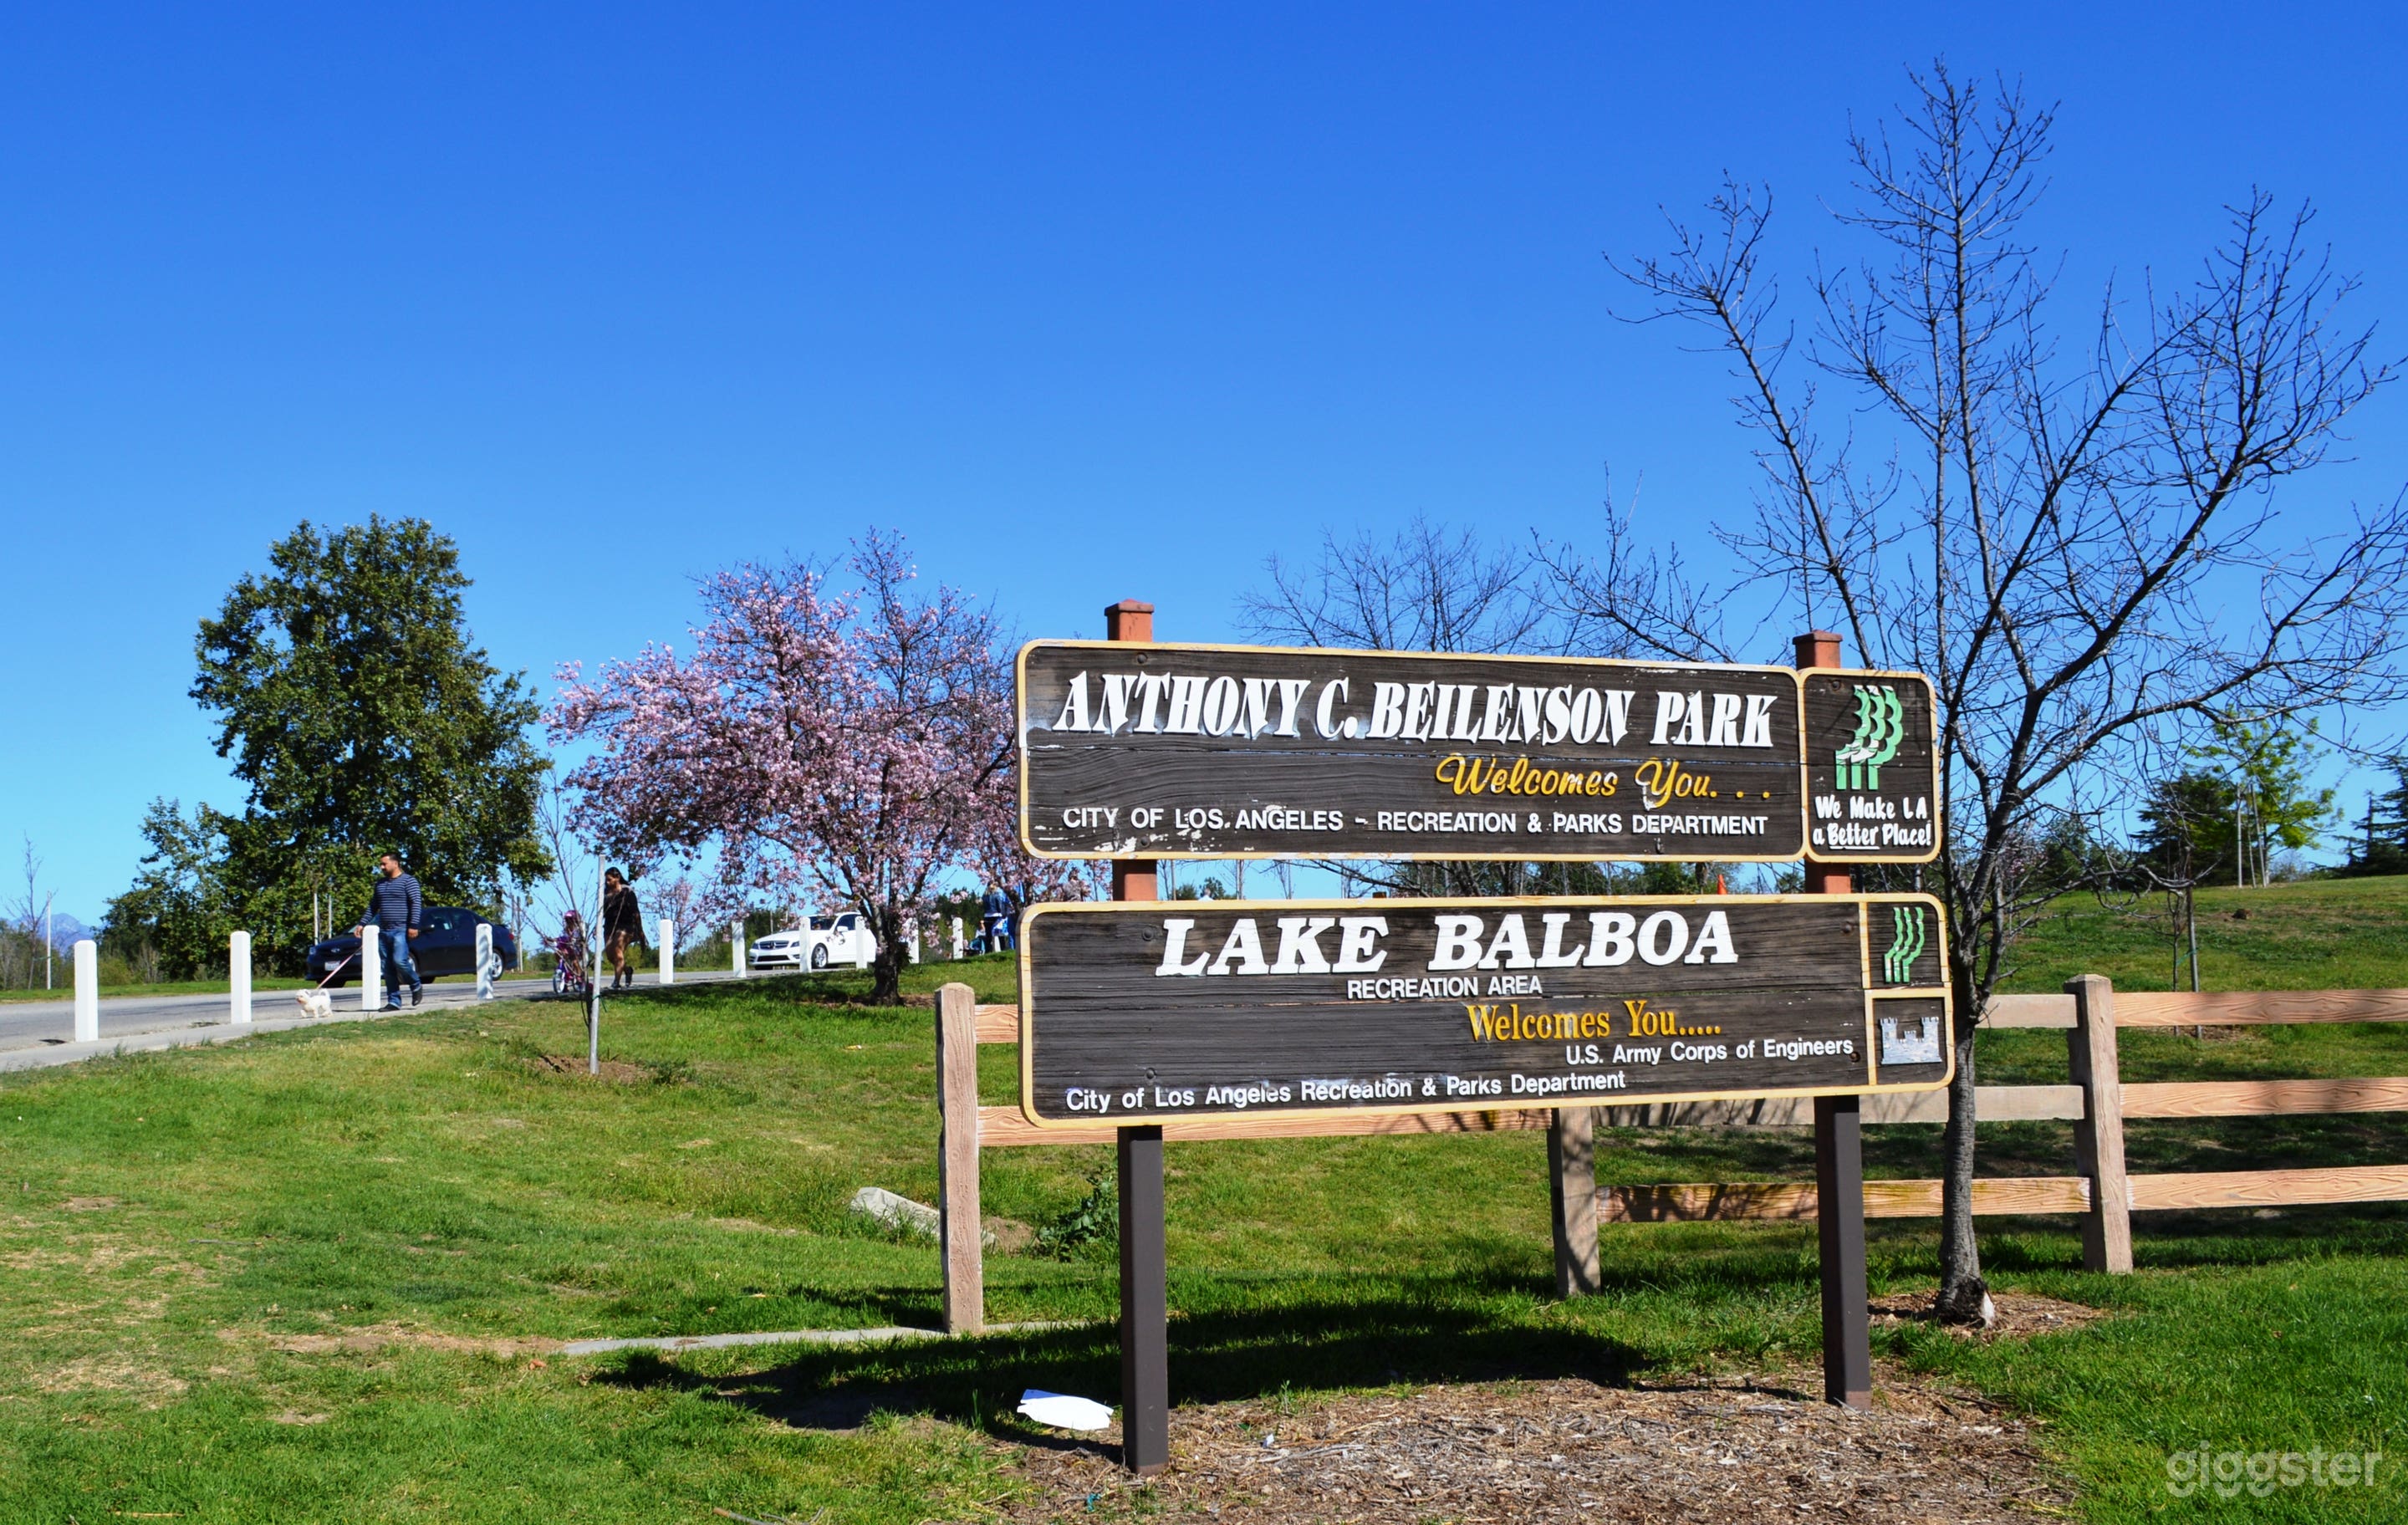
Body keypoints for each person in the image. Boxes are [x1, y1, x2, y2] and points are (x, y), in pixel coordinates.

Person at [355, 852, 423, 1011]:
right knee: (387, 968)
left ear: (395, 863)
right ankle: (394, 1001)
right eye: (381, 864)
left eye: (384, 864)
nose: (382, 867)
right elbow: (373, 906)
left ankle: (415, 984)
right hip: (384, 931)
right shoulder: (380, 884)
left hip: (401, 929)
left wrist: (414, 925)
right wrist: (362, 924)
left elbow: (416, 904)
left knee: (400, 961)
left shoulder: (409, 881)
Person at [601, 867, 645, 990]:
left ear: (617, 878)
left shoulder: (627, 892)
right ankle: (627, 970)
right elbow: (601, 912)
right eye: (606, 880)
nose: (607, 882)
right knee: (611, 956)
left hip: (626, 927)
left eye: (609, 880)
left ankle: (616, 982)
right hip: (610, 926)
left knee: (618, 952)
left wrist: (640, 930)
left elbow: (636, 912)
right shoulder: (605, 894)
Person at [980, 883, 1011, 954]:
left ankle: (988, 951)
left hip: (987, 916)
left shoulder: (984, 896)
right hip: (996, 915)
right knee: (1000, 934)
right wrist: (1002, 913)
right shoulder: (996, 895)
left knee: (988, 935)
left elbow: (983, 907)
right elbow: (999, 906)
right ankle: (1003, 949)